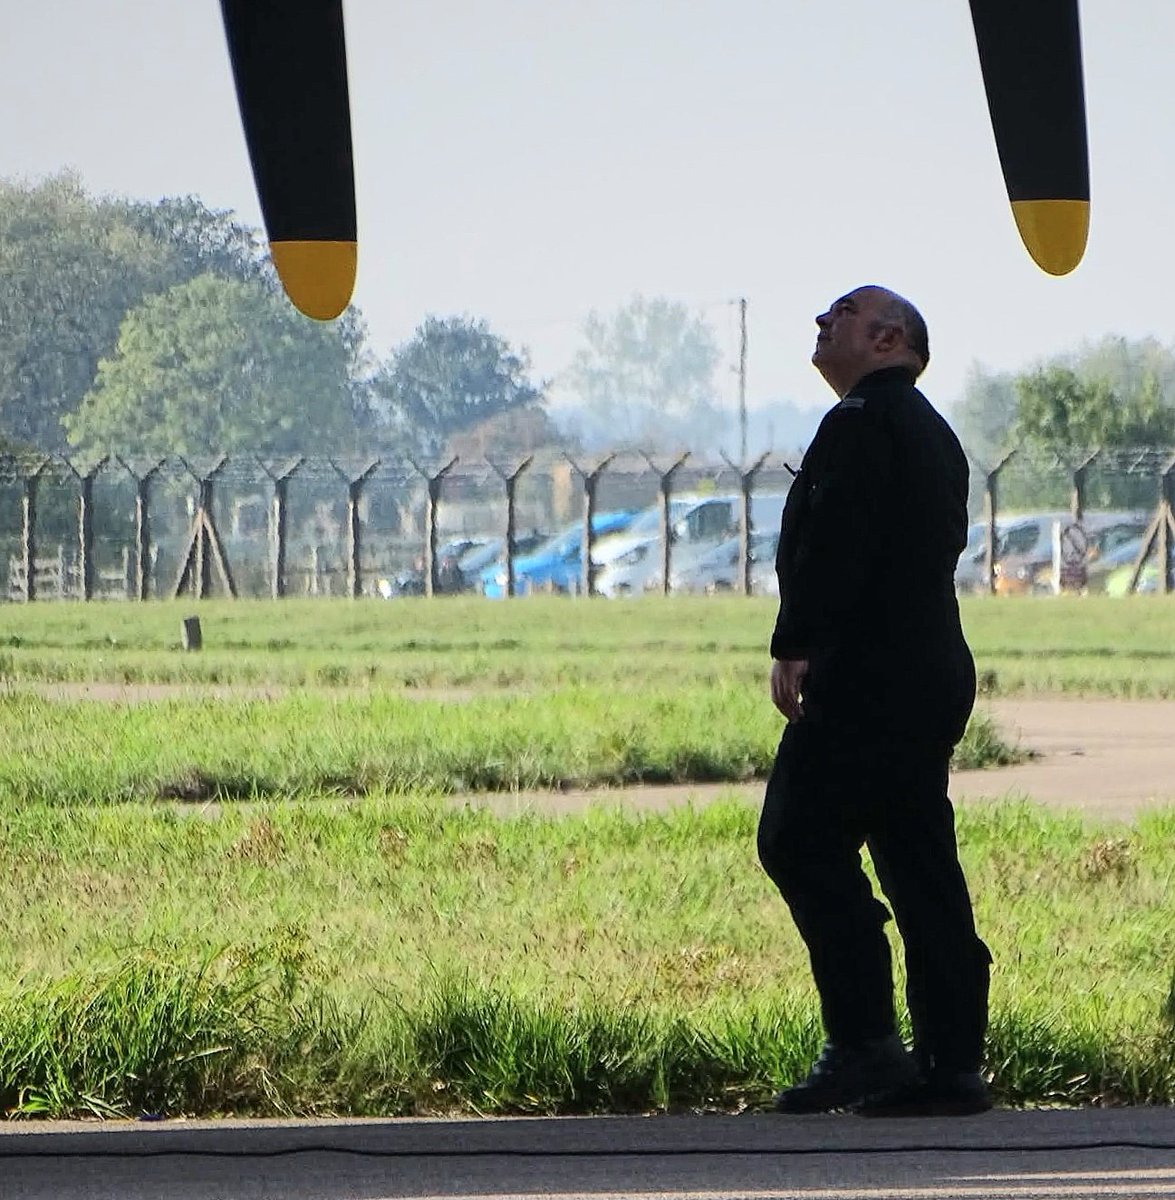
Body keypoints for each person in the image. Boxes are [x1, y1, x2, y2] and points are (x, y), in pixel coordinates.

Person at [758, 285, 993, 1117]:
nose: (821, 323)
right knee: (915, 856)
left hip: (867, 674)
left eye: (843, 312)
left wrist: (796, 640)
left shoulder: (860, 421)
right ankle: (951, 1062)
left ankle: (864, 1043)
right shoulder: (930, 429)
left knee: (796, 839)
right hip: (928, 667)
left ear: (888, 338)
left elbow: (838, 544)